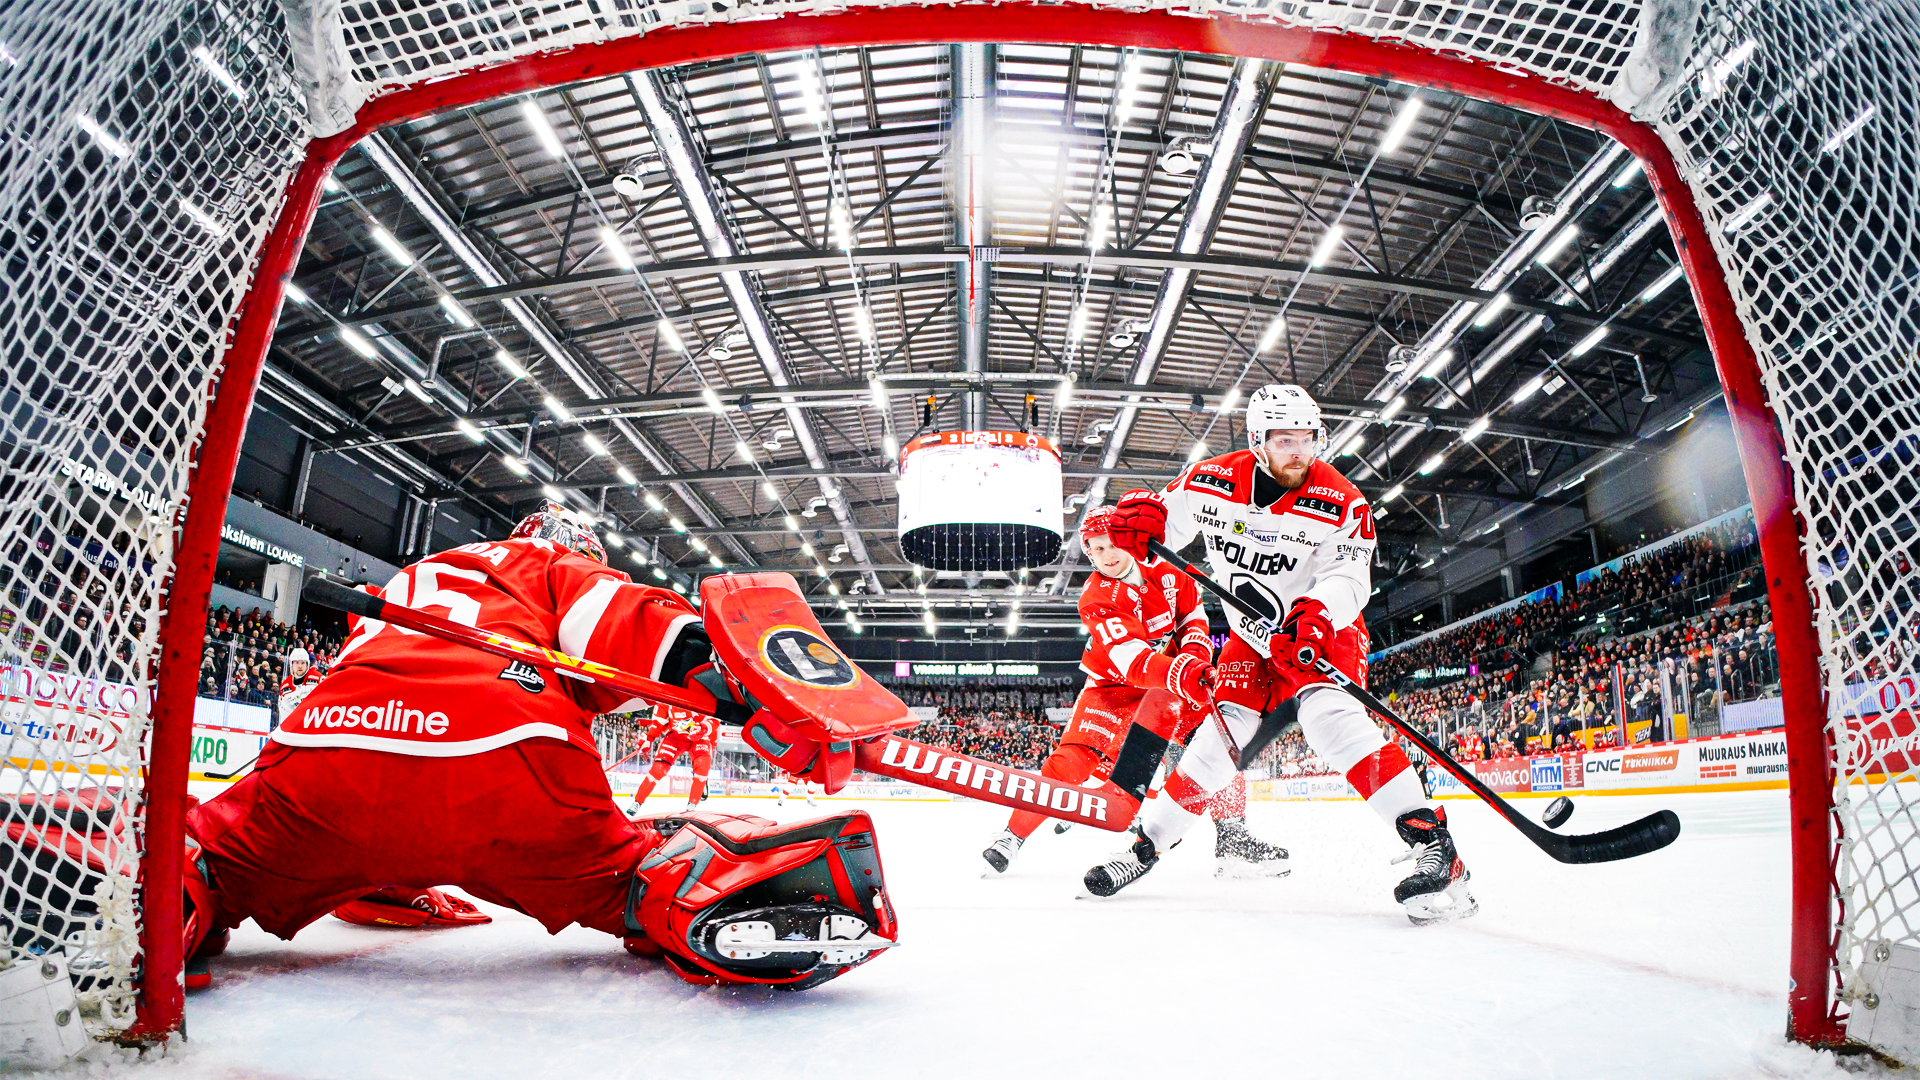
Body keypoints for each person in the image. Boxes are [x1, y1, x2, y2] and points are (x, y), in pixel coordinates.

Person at [173, 502, 896, 990]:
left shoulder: (417, 578)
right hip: (505, 755)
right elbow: (641, 631)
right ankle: (716, 893)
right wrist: (760, 693)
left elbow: (392, 790)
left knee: (222, 861)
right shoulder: (547, 564)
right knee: (628, 879)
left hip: (321, 756)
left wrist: (388, 876)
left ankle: (157, 887)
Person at [1083, 384, 1476, 925]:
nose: (1299, 449)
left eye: (1308, 438)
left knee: (1327, 716)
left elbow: (1349, 578)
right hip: (1250, 635)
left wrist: (1316, 613)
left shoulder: (1342, 499)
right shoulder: (1210, 479)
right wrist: (1139, 528)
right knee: (1221, 739)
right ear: (1256, 440)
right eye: (1285, 439)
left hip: (1319, 625)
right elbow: (1165, 522)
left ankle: (1434, 843)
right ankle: (1146, 847)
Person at [980, 507, 1287, 879]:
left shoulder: (1168, 566)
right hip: (1113, 690)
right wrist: (1186, 671)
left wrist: (1193, 657)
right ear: (1088, 554)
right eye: (1096, 549)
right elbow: (1134, 662)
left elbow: (1193, 617)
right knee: (1070, 763)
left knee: (1219, 743)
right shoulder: (1095, 597)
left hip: (1174, 683)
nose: (1108, 555)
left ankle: (1234, 839)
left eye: (1113, 544)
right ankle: (1013, 836)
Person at [627, 703, 718, 810]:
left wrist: (704, 728)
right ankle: (637, 802)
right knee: (658, 769)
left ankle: (692, 806)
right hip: (675, 738)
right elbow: (658, 722)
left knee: (702, 765)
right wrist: (649, 739)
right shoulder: (666, 699)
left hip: (700, 737)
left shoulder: (701, 692)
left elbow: (714, 719)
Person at [276, 646, 321, 719]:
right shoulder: (285, 687)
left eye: (303, 663)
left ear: (307, 665)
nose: (300, 666)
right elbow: (284, 713)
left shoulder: (318, 679)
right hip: (296, 725)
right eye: (296, 663)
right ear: (292, 665)